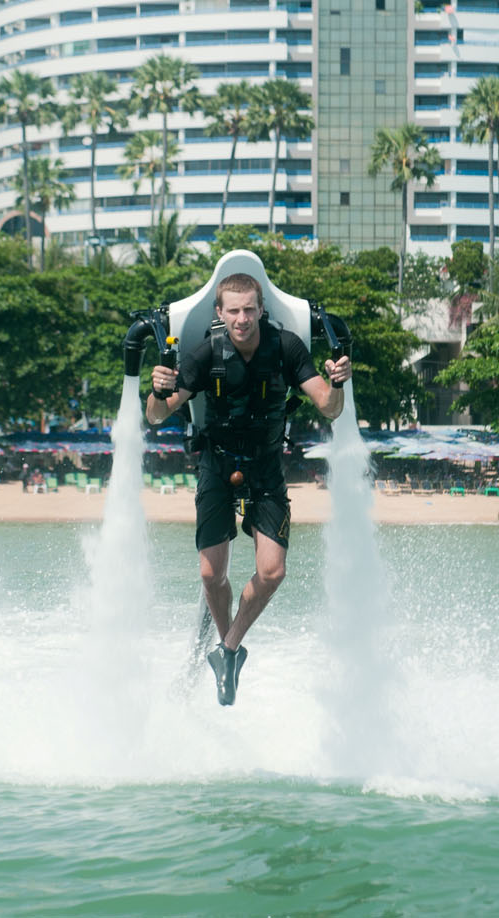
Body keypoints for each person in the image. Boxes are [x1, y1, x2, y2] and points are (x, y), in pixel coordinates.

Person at [146, 272, 349, 706]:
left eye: (249, 309)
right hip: (217, 465)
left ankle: (228, 649)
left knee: (273, 571)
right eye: (233, 311)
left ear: (261, 310)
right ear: (220, 313)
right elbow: (157, 416)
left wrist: (337, 383)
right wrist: (157, 389)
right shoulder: (206, 354)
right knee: (209, 573)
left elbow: (330, 408)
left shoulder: (286, 348)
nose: (242, 319)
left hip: (266, 467)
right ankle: (228, 653)